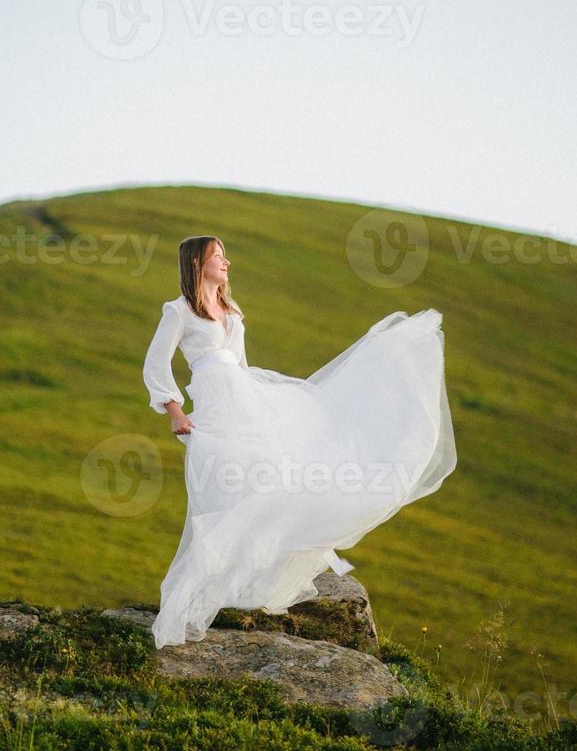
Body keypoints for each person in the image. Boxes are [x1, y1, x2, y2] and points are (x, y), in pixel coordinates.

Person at [142, 234, 458, 649]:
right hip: (215, 404)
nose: (227, 263)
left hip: (245, 396)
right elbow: (155, 361)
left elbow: (241, 365)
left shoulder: (232, 311)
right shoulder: (179, 311)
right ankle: (200, 589)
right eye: (218, 257)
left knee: (281, 473)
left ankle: (263, 564)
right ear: (197, 262)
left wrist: (263, 398)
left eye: (225, 256)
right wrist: (175, 411)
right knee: (229, 491)